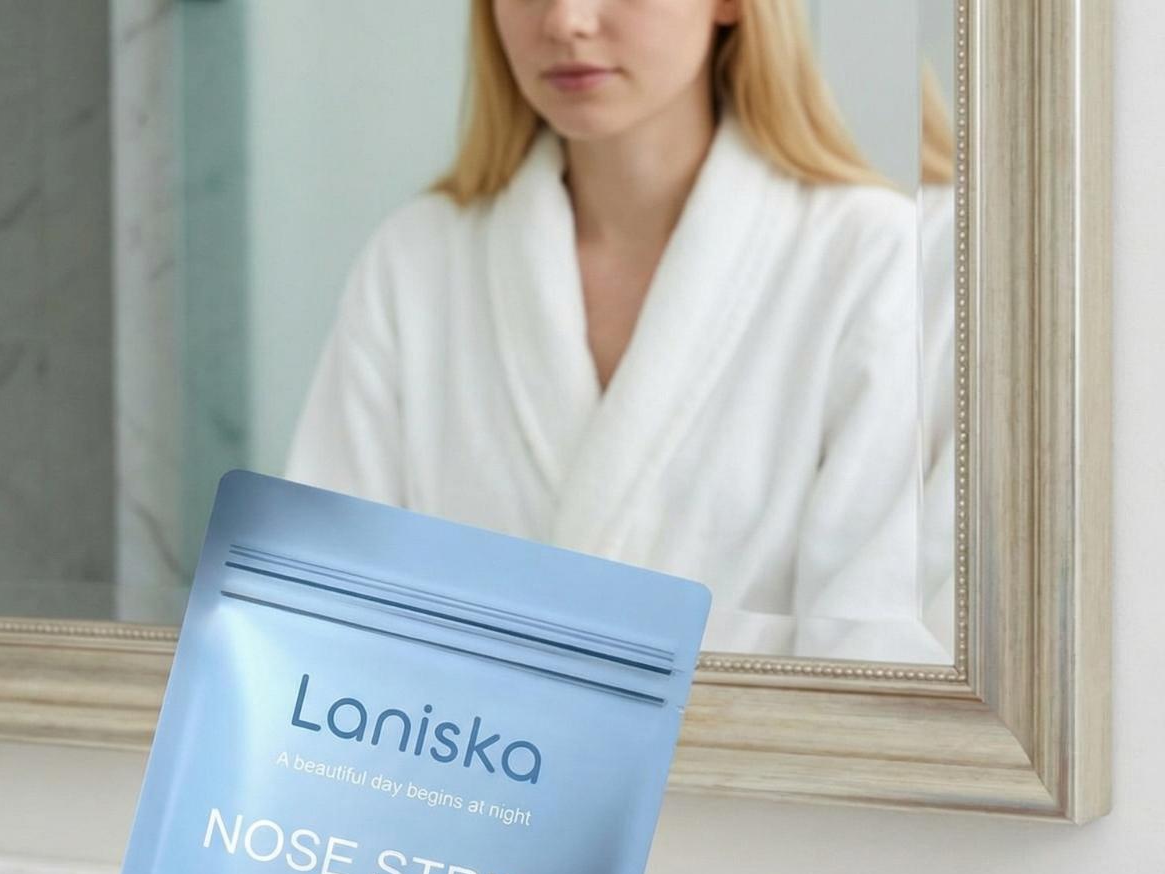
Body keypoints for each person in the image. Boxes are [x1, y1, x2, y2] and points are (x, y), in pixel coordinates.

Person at [286, 0, 946, 662]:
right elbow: (318, 627)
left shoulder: (871, 262)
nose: (565, 20)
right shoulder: (416, 263)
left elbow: (875, 664)